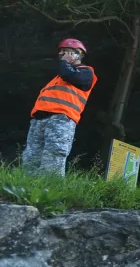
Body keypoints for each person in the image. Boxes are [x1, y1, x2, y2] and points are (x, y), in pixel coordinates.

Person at [22, 39, 97, 176]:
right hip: (39, 120)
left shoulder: (86, 72)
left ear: (78, 54)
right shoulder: (57, 78)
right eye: (61, 53)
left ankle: (51, 192)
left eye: (65, 52)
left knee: (54, 154)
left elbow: (69, 75)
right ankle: (27, 190)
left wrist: (64, 63)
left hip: (61, 119)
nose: (62, 55)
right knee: (31, 156)